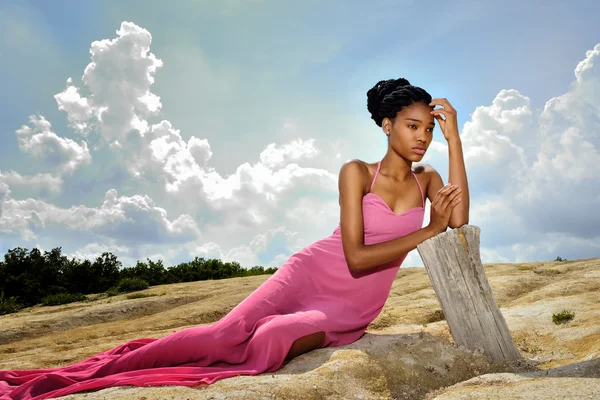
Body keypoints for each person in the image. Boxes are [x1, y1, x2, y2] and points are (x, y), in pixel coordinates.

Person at [0, 78, 469, 400]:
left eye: (428, 129)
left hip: (349, 310)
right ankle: (105, 371)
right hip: (312, 272)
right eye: (413, 126)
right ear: (387, 126)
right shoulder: (356, 173)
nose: (422, 137)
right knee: (226, 333)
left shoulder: (427, 179)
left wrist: (455, 142)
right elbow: (355, 257)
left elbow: (460, 219)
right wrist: (428, 229)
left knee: (270, 340)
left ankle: (172, 357)